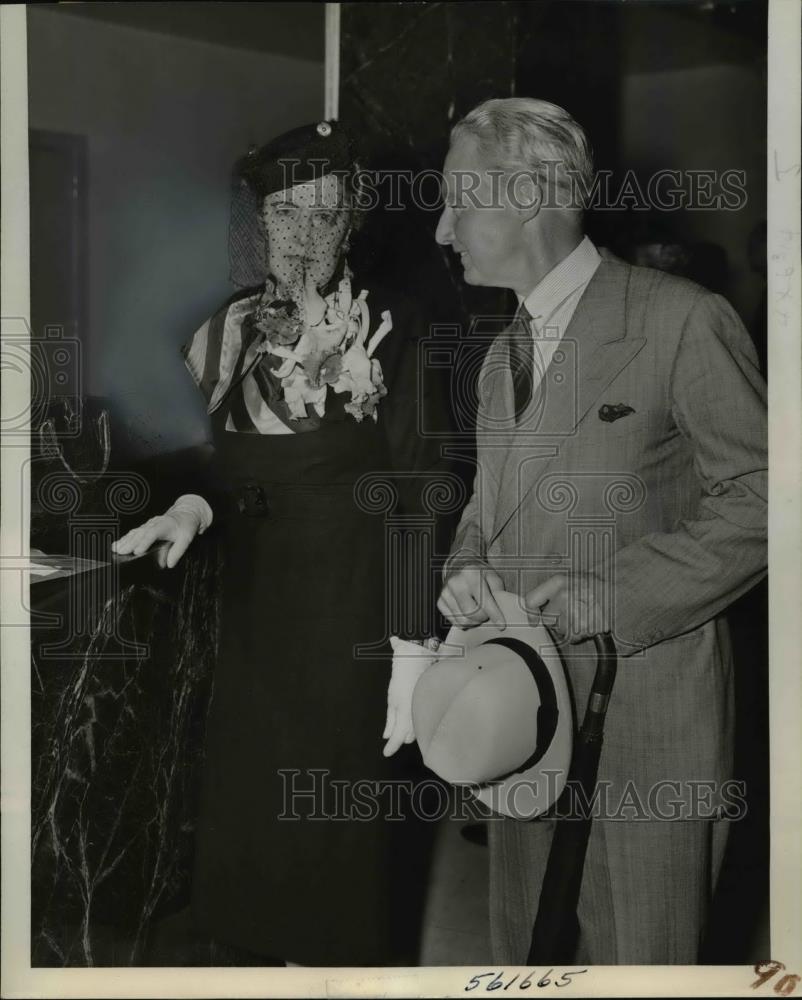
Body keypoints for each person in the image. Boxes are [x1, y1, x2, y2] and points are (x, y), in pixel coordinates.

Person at [433, 97, 767, 964]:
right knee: (528, 952)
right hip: (523, 709)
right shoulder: (503, 352)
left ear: (531, 194)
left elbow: (768, 497)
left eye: (458, 200)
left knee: (643, 959)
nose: (442, 228)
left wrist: (614, 593)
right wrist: (466, 561)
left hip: (647, 714)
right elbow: (486, 503)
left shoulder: (680, 320)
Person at [113, 120, 452, 966]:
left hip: (356, 604)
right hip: (258, 607)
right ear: (259, 221)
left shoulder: (400, 327)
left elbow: (419, 486)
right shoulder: (222, 330)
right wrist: (190, 507)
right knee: (252, 816)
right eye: (285, 215)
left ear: (354, 223)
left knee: (336, 838)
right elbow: (222, 465)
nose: (303, 235)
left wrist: (412, 641)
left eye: (324, 215)